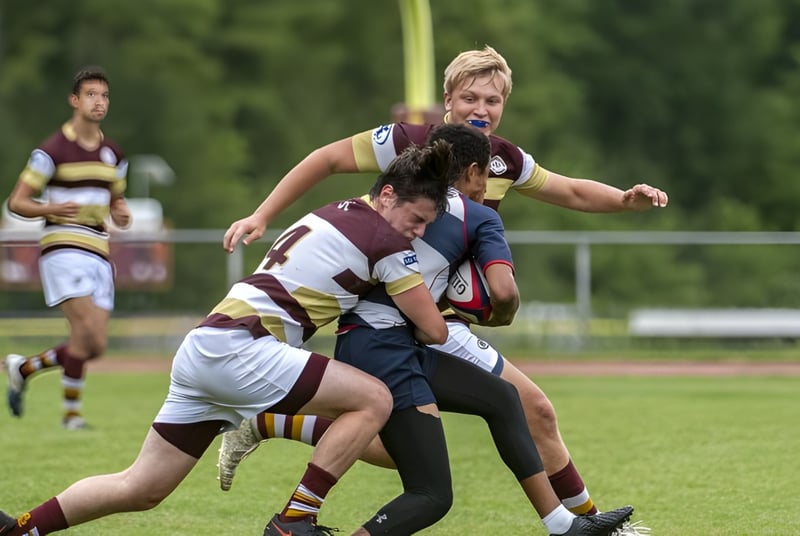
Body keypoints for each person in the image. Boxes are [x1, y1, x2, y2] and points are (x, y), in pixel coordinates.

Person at [222, 45, 664, 532]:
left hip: (431, 320)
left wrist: (624, 200)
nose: (481, 109)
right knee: (462, 435)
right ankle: (586, 525)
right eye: (470, 97)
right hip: (397, 319)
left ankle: (584, 523)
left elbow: (572, 190)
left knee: (489, 419)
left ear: (504, 106)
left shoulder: (503, 161)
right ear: (447, 99)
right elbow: (326, 159)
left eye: (493, 101)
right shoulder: (410, 142)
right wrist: (262, 213)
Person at [0, 142, 454, 536]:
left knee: (140, 487)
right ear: (388, 195)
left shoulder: (336, 210)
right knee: (374, 400)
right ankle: (294, 520)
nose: (416, 233)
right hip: (244, 347)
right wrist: (471, 305)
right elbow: (433, 330)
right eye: (416, 220)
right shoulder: (388, 244)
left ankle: (19, 528)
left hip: (205, 346)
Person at [3, 67, 132, 429]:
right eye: (91, 95)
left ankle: (24, 368)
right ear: (75, 101)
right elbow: (17, 202)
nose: (99, 102)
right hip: (62, 248)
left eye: (104, 96)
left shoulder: (113, 153)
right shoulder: (51, 150)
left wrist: (121, 212)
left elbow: (116, 200)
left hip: (99, 251)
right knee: (86, 333)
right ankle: (71, 417)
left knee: (93, 346)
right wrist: (50, 208)